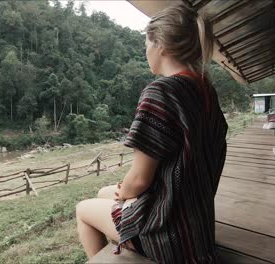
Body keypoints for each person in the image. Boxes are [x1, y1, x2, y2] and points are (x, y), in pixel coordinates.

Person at [76, 4, 228, 263]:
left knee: (82, 209)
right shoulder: (204, 90)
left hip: (169, 234)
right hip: (196, 224)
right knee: (104, 192)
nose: (146, 51)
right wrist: (123, 192)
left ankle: (127, 252)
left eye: (147, 43)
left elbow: (139, 180)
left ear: (162, 46)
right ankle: (129, 243)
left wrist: (125, 192)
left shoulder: (162, 92)